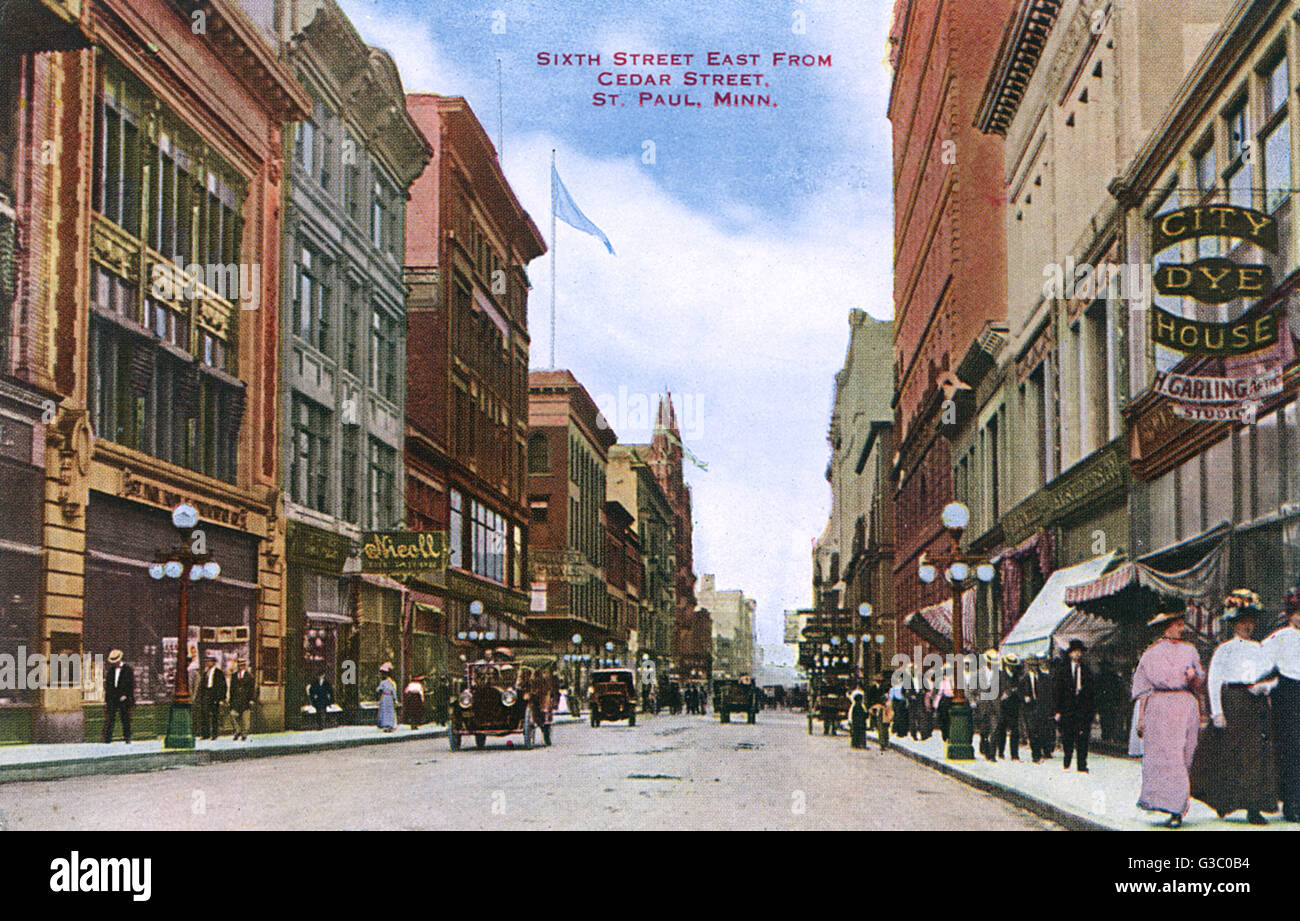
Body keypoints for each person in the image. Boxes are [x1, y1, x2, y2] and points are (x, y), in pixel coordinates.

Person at [1190, 590, 1278, 825]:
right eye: (1242, 622)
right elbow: (1214, 680)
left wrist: (1265, 687)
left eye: (1250, 622)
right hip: (1233, 702)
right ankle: (1224, 801)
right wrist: (1217, 712)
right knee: (1229, 753)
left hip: (1255, 704)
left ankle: (1254, 807)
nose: (1247, 626)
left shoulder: (1260, 648)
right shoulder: (1224, 649)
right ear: (1233, 624)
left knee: (1256, 755)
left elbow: (1275, 674)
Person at [1131, 603, 1205, 827]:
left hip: (1184, 705)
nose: (1181, 629)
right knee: (1166, 757)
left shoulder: (1190, 650)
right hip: (1160, 707)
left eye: (1182, 625)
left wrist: (1194, 676)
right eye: (1177, 625)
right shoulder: (1151, 653)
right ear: (1166, 627)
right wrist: (1142, 718)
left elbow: (1199, 680)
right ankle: (1172, 808)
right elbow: (1143, 689)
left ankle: (1178, 805)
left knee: (1185, 755)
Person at [1263, 585, 1300, 823]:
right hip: (1288, 693)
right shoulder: (1279, 637)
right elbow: (1261, 664)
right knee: (1291, 749)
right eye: (1297, 612)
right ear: (1290, 614)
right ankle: (1291, 803)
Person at [1053, 639, 1095, 773]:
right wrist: (1057, 711)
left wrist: (1091, 712)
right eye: (1074, 652)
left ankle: (1082, 764)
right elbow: (1057, 692)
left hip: (1082, 710)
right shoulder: (1063, 671)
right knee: (1068, 737)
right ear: (1070, 654)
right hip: (1067, 709)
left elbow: (1091, 692)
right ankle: (1067, 760)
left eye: (1079, 652)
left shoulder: (1086, 670)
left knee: (1083, 737)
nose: (1077, 655)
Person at [1019, 655, 1054, 763]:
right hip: (1030, 709)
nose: (1033, 668)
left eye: (1035, 666)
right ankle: (1036, 754)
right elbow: (1019, 694)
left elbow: (1050, 693)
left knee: (1044, 731)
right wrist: (1025, 698)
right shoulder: (1023, 679)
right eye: (1031, 666)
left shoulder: (1045, 678)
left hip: (1042, 708)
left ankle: (1046, 750)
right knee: (1033, 731)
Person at [994, 653, 1023, 761]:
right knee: (1002, 729)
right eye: (1009, 664)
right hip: (1003, 705)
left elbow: (1021, 688)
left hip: (1014, 705)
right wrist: (1002, 696)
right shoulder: (1000, 675)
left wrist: (1016, 692)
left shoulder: (1017, 676)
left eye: (1013, 665)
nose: (1011, 667)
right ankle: (1001, 752)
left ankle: (1014, 754)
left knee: (1015, 730)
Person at [102, 649, 134, 743]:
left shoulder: (127, 669)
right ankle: (107, 738)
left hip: (123, 698)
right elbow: (108, 685)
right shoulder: (111, 671)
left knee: (125, 718)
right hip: (112, 698)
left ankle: (127, 737)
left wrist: (126, 695)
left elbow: (131, 684)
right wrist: (108, 698)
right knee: (110, 718)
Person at [975, 650, 1000, 760]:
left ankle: (992, 754)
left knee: (994, 730)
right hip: (983, 706)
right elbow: (971, 690)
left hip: (994, 706)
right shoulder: (978, 674)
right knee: (984, 731)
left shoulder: (998, 674)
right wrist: (974, 700)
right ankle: (984, 748)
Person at [228, 655, 254, 741]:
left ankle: (244, 734)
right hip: (236, 700)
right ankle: (237, 730)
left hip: (245, 700)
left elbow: (251, 689)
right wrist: (230, 700)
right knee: (233, 715)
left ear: (245, 666)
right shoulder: (234, 676)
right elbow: (232, 688)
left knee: (245, 718)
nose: (240, 667)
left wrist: (251, 699)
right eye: (239, 665)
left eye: (242, 665)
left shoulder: (249, 676)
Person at [200, 654, 226, 741]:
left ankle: (214, 734)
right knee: (205, 714)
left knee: (214, 715)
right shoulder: (205, 672)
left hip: (214, 695)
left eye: (209, 661)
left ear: (214, 662)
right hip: (206, 694)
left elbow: (223, 686)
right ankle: (205, 734)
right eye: (207, 661)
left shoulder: (219, 672)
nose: (208, 663)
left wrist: (221, 697)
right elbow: (202, 685)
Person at [868, 672, 892, 751]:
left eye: (880, 681)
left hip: (884, 709)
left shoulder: (885, 689)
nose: (879, 682)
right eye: (878, 681)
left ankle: (885, 742)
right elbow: (869, 700)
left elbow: (887, 698)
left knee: (884, 726)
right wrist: (871, 708)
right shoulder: (872, 689)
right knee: (879, 727)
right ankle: (883, 743)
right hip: (875, 709)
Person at [377, 663, 398, 732]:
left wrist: (395, 699)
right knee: (386, 710)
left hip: (387, 697)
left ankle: (389, 724)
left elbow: (393, 691)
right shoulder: (389, 682)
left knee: (388, 710)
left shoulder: (386, 682)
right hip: (386, 697)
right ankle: (386, 724)